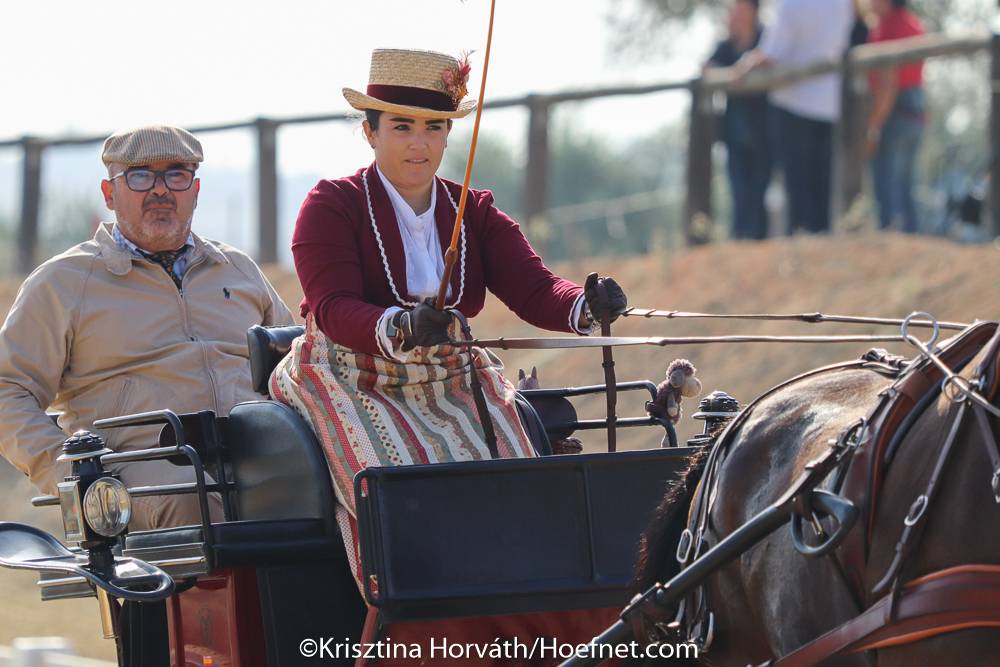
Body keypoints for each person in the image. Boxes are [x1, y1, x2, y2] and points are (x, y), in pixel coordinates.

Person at [269, 48, 628, 658]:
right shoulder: (330, 205)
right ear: (370, 132)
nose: (420, 143)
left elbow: (537, 289)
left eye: (434, 127)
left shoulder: (476, 211)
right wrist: (399, 324)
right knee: (403, 498)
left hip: (454, 376)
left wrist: (586, 306)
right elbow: (331, 306)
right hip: (349, 375)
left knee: (522, 490)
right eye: (402, 126)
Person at [0, 125, 294, 531]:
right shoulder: (64, 283)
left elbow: (296, 366)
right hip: (140, 468)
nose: (160, 190)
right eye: (140, 176)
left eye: (177, 175)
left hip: (255, 454)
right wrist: (71, 473)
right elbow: (9, 389)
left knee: (350, 492)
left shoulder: (237, 269)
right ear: (109, 194)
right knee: (192, 499)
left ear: (195, 191)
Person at [738, 0, 854, 234]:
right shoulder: (843, 3)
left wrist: (745, 64)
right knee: (821, 187)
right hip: (827, 104)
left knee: (797, 188)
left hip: (792, 104)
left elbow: (772, 53)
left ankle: (800, 241)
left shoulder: (790, 4)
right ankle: (821, 240)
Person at [706, 0, 772, 240]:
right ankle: (741, 237)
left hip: (765, 128)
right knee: (738, 187)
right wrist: (732, 74)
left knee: (760, 187)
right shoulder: (726, 45)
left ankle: (759, 238)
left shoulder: (766, 38)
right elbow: (707, 68)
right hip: (734, 130)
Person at [866, 0, 926, 233]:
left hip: (894, 110)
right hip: (917, 109)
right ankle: (912, 236)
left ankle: (888, 237)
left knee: (885, 183)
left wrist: (874, 125)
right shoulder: (914, 23)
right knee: (907, 185)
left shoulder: (886, 27)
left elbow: (888, 83)